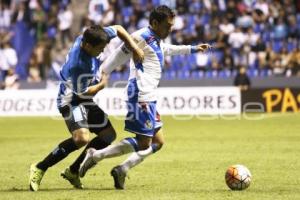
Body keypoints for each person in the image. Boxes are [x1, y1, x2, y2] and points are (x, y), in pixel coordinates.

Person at [79, 5, 211, 190]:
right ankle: (96, 155)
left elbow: (167, 49)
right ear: (155, 23)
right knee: (144, 143)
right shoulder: (140, 36)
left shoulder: (155, 39)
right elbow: (119, 55)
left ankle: (121, 169)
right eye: (167, 26)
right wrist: (103, 72)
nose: (170, 29)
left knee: (158, 142)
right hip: (141, 95)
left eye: (171, 26)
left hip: (148, 96)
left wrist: (193, 48)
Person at [29, 25, 144, 191]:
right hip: (71, 99)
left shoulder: (90, 38)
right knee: (81, 138)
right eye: (100, 49)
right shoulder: (79, 65)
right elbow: (83, 95)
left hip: (82, 96)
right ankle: (40, 167)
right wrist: (103, 84)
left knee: (108, 135)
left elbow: (118, 28)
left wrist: (134, 48)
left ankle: (73, 171)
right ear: (88, 46)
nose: (102, 51)